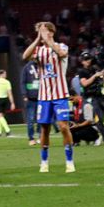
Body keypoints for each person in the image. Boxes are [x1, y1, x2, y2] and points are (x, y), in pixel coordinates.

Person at [23, 22, 75, 174]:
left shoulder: (62, 46)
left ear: (52, 32)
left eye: (46, 31)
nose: (43, 33)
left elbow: (62, 54)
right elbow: (25, 56)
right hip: (44, 96)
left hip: (60, 95)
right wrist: (38, 38)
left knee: (64, 127)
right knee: (44, 128)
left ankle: (69, 161)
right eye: (41, 31)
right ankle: (44, 162)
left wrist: (49, 40)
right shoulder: (38, 50)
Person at [22, 59, 42, 142]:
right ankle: (31, 138)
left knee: (41, 119)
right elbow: (22, 82)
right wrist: (24, 95)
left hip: (41, 98)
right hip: (30, 98)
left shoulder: (42, 66)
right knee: (30, 119)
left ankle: (40, 136)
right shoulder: (26, 67)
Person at [0, 69, 15, 137]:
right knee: (1, 116)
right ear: (1, 74)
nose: (6, 75)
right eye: (5, 74)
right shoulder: (7, 82)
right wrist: (12, 102)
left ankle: (8, 130)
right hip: (5, 99)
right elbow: (10, 93)